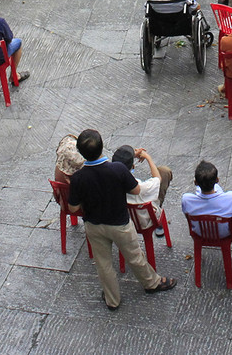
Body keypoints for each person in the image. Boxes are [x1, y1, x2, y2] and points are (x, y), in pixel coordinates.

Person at [65, 128, 177, 309]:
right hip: (119, 224)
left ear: (81, 152)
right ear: (102, 147)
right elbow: (136, 190)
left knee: (103, 264)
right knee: (135, 256)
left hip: (94, 225)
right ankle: (151, 283)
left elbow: (73, 207)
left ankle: (112, 300)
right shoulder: (117, 169)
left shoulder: (78, 178)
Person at [179, 159, 232, 240]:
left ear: (195, 183)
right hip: (226, 234)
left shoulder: (186, 199)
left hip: (200, 233)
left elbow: (187, 216)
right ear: (217, 180)